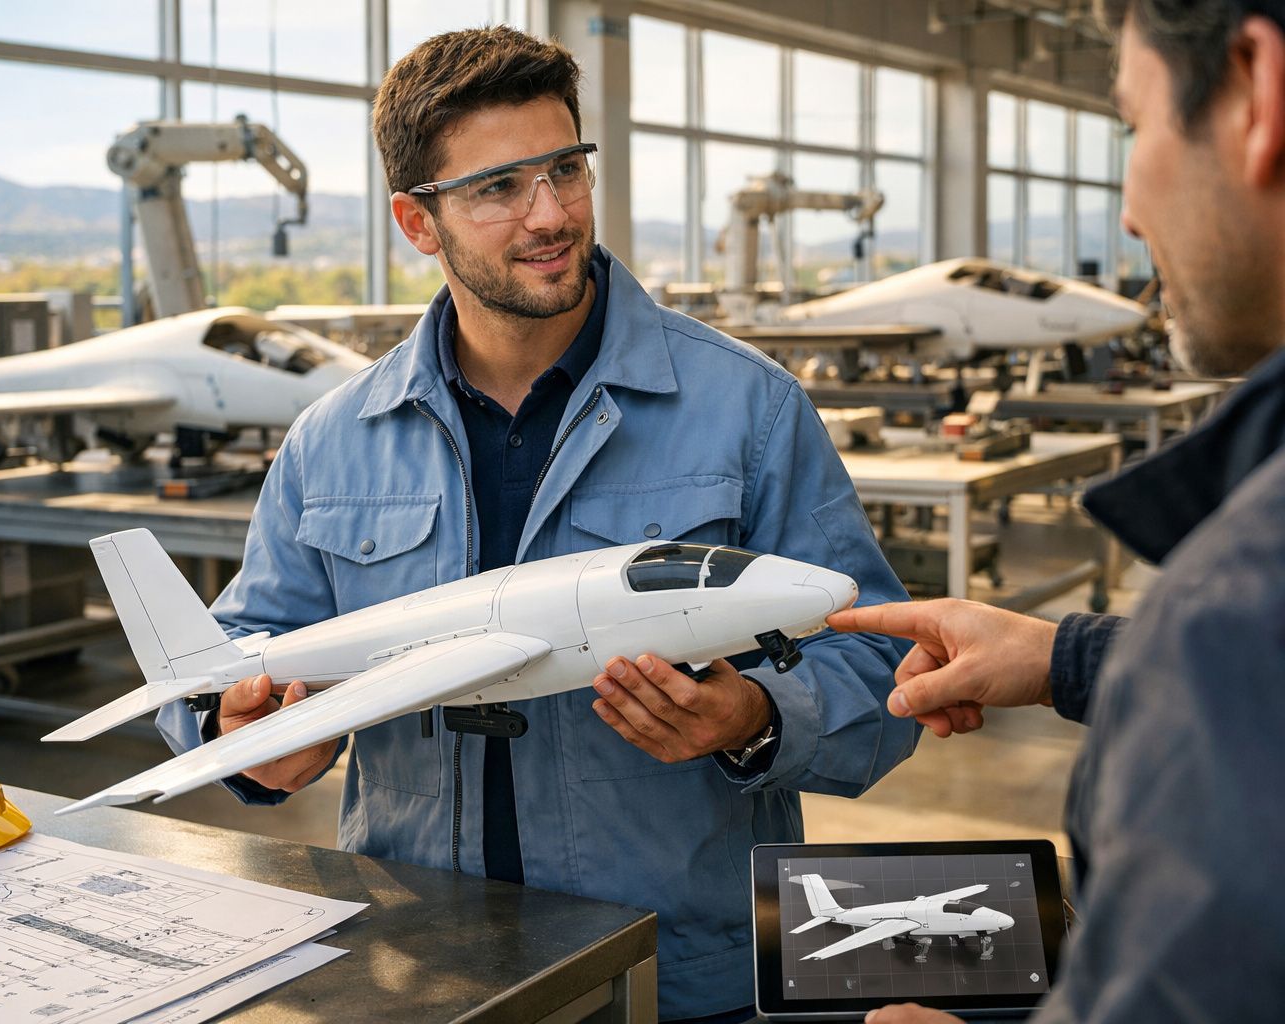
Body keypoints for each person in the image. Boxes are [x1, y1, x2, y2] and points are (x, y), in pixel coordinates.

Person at [157, 26, 919, 1022]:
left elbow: (879, 663)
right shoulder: (331, 440)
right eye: (499, 187)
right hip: (423, 968)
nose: (550, 214)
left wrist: (757, 718)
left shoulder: (751, 409)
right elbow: (235, 656)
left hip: (690, 976)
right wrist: (245, 735)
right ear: (417, 222)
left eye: (565, 169)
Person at [828, 3, 1285, 1021]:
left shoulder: (1238, 603)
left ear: (1255, 90)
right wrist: (1066, 655)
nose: (1126, 212)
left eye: (1134, 125)